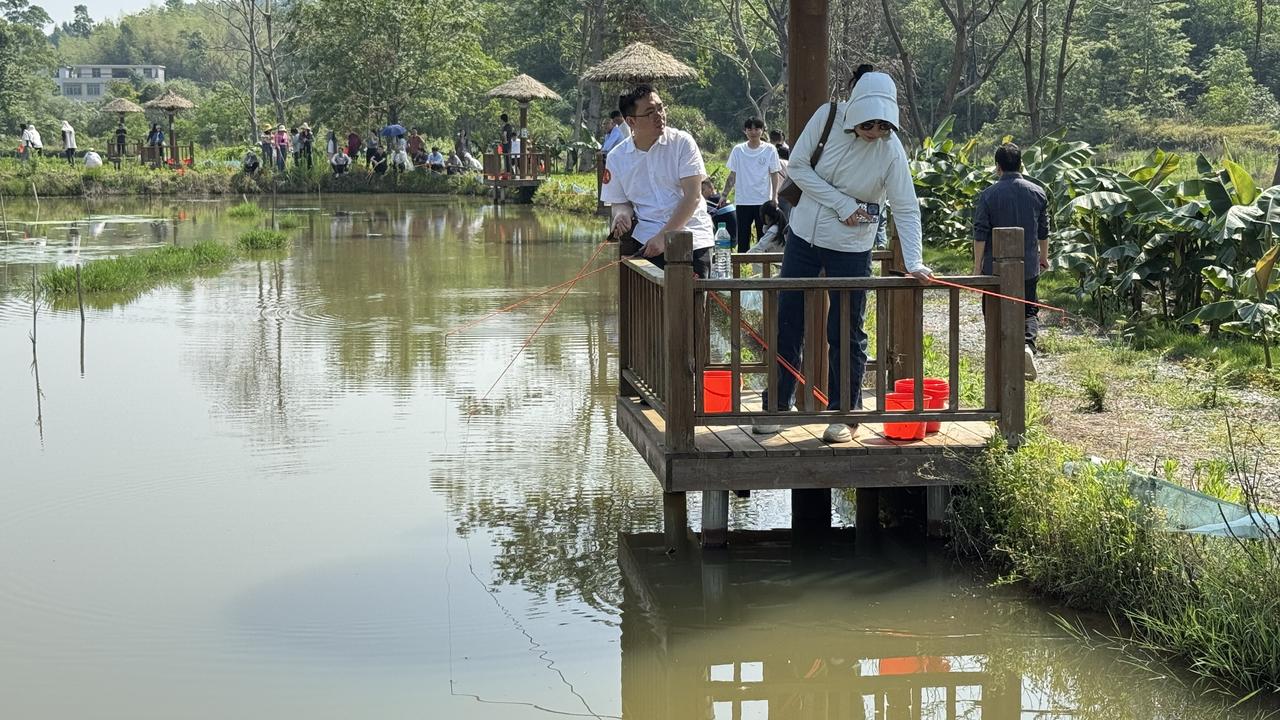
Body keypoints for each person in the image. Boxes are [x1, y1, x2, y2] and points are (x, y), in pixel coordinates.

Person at [757, 69, 930, 443]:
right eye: (868, 124)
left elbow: (905, 206)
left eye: (883, 126)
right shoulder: (828, 115)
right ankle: (778, 405)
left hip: (852, 246)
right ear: (855, 112)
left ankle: (845, 414)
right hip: (803, 235)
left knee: (847, 330)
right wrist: (841, 203)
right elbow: (798, 167)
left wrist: (915, 262)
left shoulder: (891, 151)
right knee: (788, 320)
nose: (874, 132)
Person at [601, 83, 715, 277]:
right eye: (649, 112)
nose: (659, 116)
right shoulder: (616, 157)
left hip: (693, 238)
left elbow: (693, 196)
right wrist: (622, 215)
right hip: (647, 241)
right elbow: (620, 202)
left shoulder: (682, 143)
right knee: (650, 296)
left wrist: (664, 237)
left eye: (661, 108)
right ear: (631, 121)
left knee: (691, 296)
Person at [973, 141, 1049, 380]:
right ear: (1021, 164)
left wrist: (977, 266)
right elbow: (1043, 231)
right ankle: (1027, 346)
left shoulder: (988, 195)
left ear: (998, 167)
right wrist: (1043, 257)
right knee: (1029, 309)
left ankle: (999, 357)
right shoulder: (1038, 192)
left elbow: (980, 233)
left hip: (995, 268)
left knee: (993, 309)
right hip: (1028, 265)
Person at [722, 117, 782, 252]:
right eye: (750, 129)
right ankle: (742, 264)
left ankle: (762, 264)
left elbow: (774, 174)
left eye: (757, 129)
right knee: (743, 238)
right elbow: (732, 175)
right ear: (745, 131)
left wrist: (775, 196)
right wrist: (724, 195)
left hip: (763, 201)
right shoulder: (738, 150)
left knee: (763, 238)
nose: (753, 132)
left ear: (762, 130)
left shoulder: (770, 149)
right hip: (743, 201)